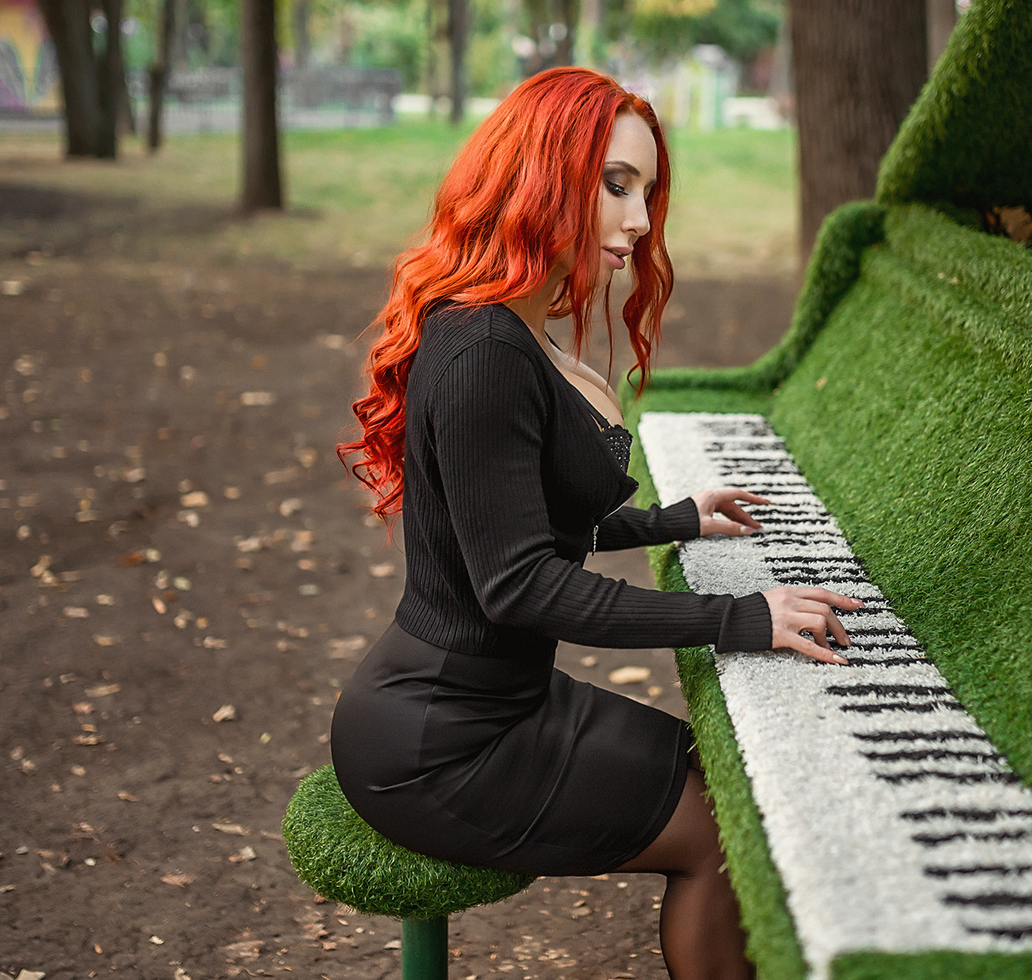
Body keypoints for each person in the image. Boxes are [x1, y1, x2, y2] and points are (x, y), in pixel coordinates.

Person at [330, 67, 862, 980]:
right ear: (540, 176)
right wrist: (745, 617)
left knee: (733, 779)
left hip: (502, 704)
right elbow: (520, 583)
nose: (642, 220)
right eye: (616, 185)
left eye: (648, 191)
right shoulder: (484, 350)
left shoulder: (510, 327)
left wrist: (675, 521)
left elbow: (519, 522)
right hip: (439, 745)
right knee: (727, 835)